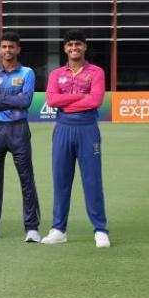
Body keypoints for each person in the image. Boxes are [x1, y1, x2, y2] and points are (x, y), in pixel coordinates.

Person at [41, 29, 110, 248]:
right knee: (61, 180)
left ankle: (100, 229)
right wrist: (81, 96)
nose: (74, 48)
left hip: (87, 129)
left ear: (84, 47)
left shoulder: (96, 72)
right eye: (70, 44)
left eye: (78, 44)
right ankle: (58, 229)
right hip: (63, 128)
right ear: (65, 48)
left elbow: (95, 101)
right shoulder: (56, 74)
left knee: (92, 180)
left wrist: (67, 101)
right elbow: (52, 100)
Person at [0, 31, 41, 243]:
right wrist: (11, 97)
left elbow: (25, 101)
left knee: (26, 178)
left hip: (18, 128)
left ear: (18, 49)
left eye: (11, 46)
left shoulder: (27, 73)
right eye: (4, 47)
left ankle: (32, 228)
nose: (7, 50)